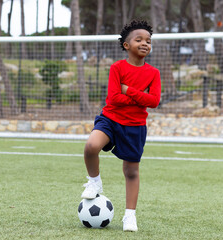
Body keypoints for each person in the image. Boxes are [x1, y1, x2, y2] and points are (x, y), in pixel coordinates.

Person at [81, 19, 161, 232]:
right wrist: (139, 97)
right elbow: (114, 98)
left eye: (148, 41)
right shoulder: (117, 68)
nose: (145, 43)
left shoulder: (153, 73)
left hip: (135, 126)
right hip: (110, 119)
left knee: (131, 171)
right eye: (139, 39)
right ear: (127, 45)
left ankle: (129, 216)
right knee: (91, 146)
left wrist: (129, 91)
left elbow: (154, 101)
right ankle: (94, 182)